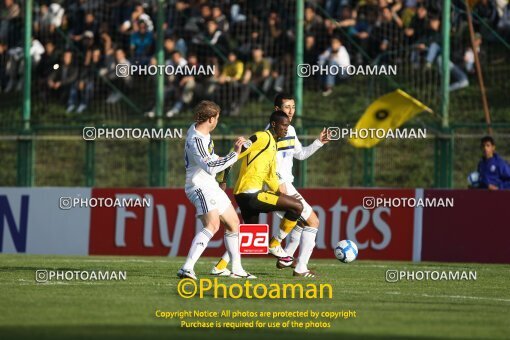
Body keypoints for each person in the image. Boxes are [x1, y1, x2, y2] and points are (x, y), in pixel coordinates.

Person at [213, 95, 330, 278]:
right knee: (308, 218)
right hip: (259, 189)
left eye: (293, 106)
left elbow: (293, 157)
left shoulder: (286, 132)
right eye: (286, 107)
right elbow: (237, 152)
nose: (290, 111)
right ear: (277, 112)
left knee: (252, 234)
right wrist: (222, 178)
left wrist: (317, 143)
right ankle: (289, 258)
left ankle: (222, 265)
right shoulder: (264, 136)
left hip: (263, 188)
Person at [177, 101, 255, 280]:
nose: (217, 121)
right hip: (199, 186)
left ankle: (236, 269)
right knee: (212, 225)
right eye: (217, 118)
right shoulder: (195, 139)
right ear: (211, 119)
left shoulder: (200, 132)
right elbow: (211, 166)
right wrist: (234, 154)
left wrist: (232, 155)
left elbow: (211, 159)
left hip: (210, 185)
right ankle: (186, 268)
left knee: (234, 223)